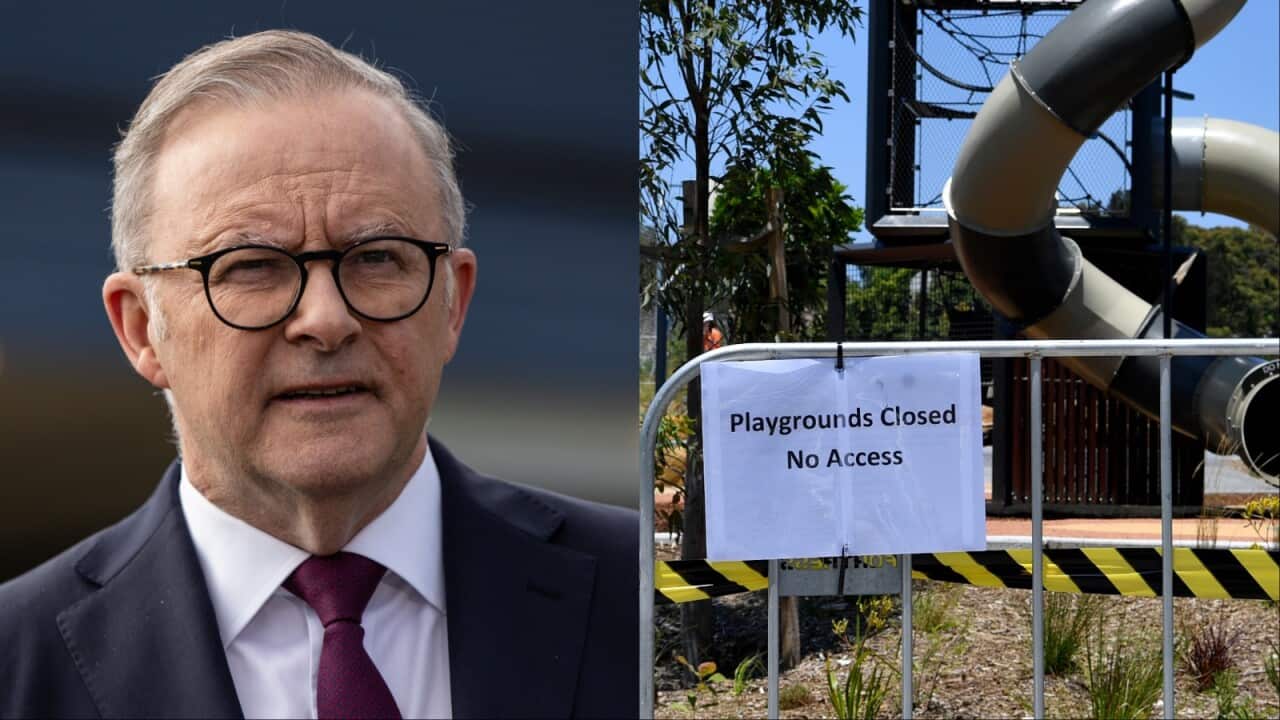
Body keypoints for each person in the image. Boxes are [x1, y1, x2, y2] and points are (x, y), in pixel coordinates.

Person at [0, 30, 637, 719]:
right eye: (250, 267)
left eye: (377, 257)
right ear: (140, 329)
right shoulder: (18, 664)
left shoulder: (639, 591)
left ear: (453, 302)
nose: (326, 320)